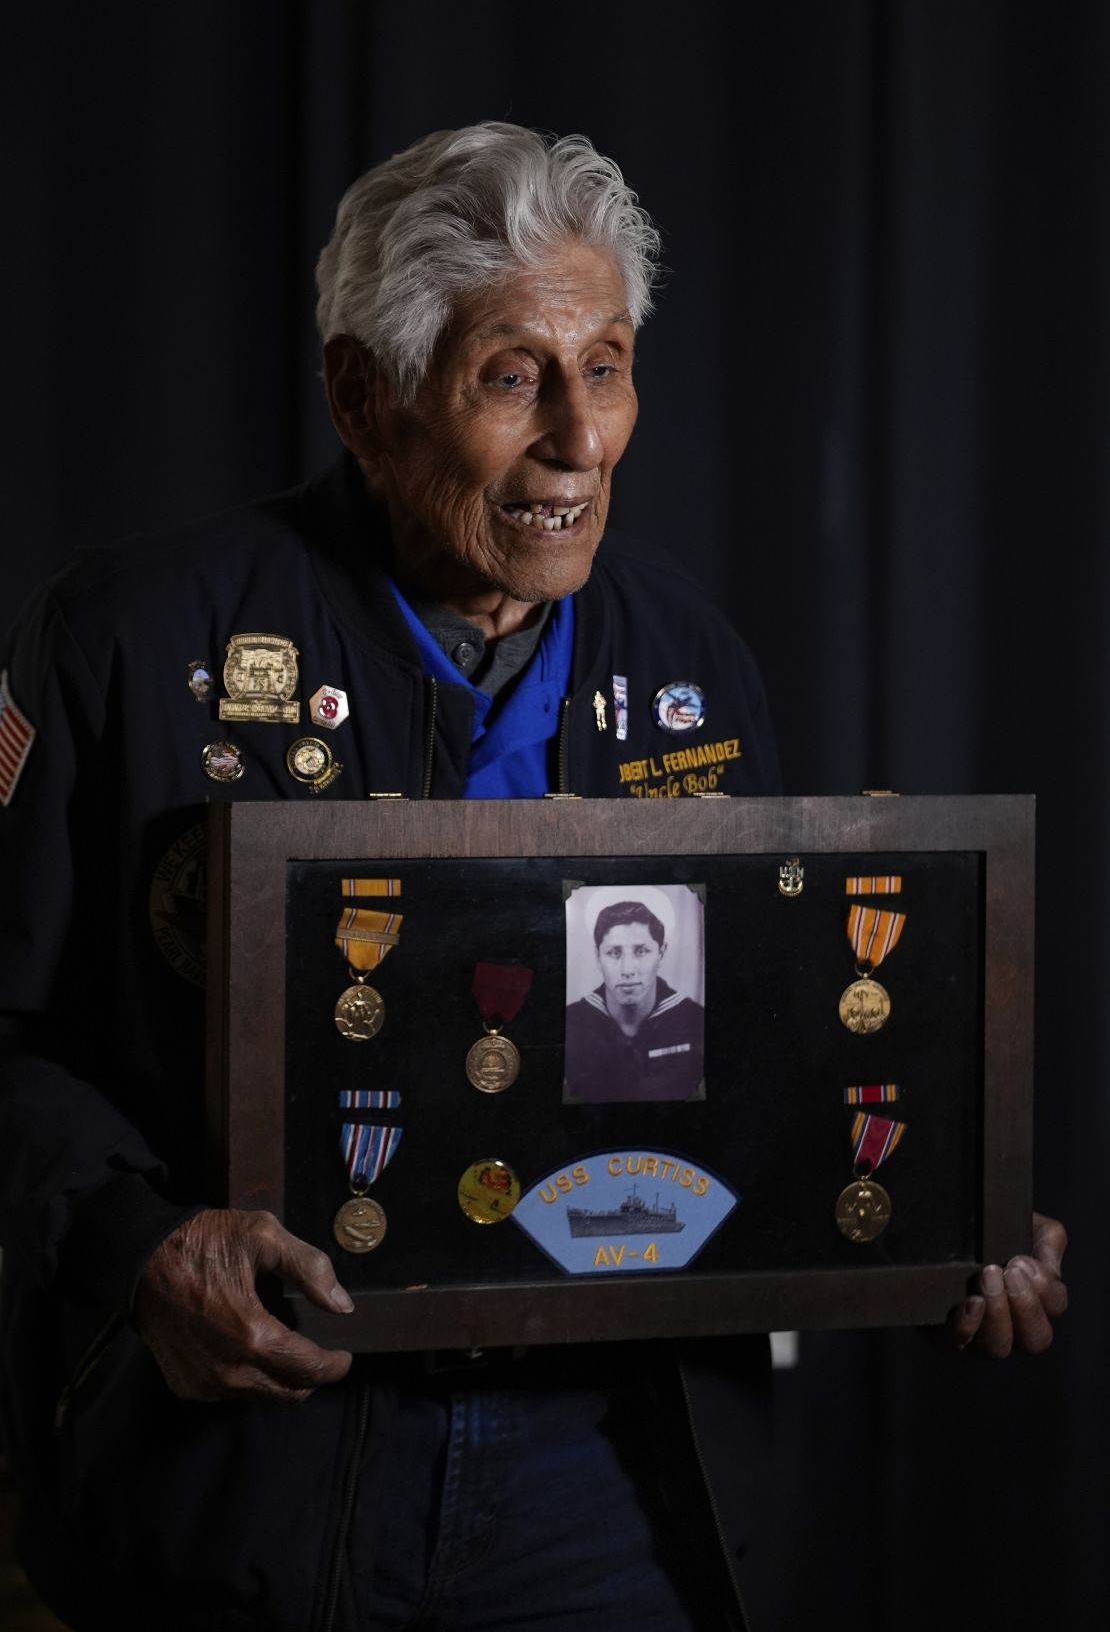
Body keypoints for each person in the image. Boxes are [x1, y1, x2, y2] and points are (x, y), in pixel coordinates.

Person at [0, 123, 1067, 1632]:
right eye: (514, 376)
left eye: (610, 363)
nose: (581, 436)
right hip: (258, 1468)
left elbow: (776, 1047)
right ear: (363, 398)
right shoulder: (125, 639)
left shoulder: (692, 658)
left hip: (609, 1477)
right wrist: (140, 1244)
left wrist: (947, 1199)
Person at [565, 898, 705, 1101]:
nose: (628, 970)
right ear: (597, 957)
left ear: (661, 953)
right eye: (614, 953)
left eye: (641, 951)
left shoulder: (696, 1021)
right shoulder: (571, 1022)